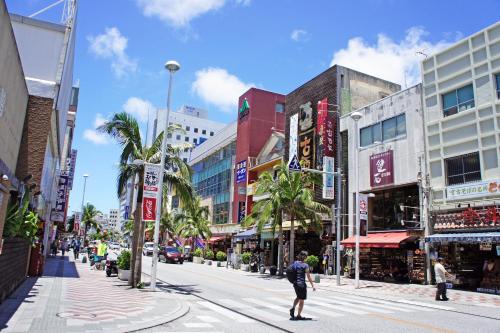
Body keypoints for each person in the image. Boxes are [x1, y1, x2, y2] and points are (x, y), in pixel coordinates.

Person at [289, 251, 316, 320]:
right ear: (305, 257)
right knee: (302, 300)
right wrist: (313, 285)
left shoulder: (295, 263)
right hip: (301, 284)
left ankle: (293, 307)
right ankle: (298, 315)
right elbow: (308, 277)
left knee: (298, 296)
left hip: (295, 284)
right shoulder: (305, 265)